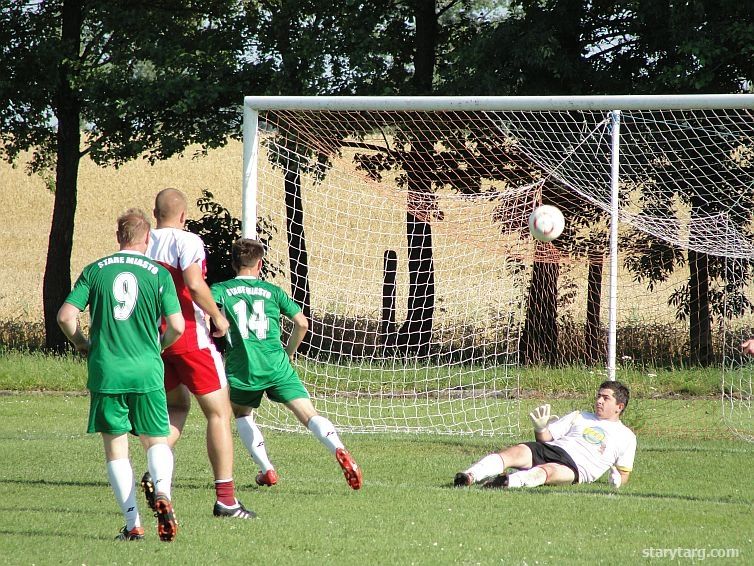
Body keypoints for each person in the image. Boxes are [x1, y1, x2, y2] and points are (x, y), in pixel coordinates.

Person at [57, 209, 184, 542]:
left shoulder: (95, 270)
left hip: (108, 370)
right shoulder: (158, 274)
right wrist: (158, 345)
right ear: (147, 239)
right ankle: (163, 493)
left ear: (119, 238)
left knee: (116, 449)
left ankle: (133, 525)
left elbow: (66, 316)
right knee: (155, 439)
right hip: (146, 369)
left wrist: (82, 342)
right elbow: (178, 326)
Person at [210, 238, 363, 490]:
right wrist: (289, 353)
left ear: (234, 263)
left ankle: (266, 469)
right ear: (260, 263)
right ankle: (339, 448)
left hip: (243, 366)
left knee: (241, 414)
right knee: (308, 414)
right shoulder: (273, 292)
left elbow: (207, 312)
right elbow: (302, 323)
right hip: (277, 364)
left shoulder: (221, 289)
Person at [145, 188, 254, 519]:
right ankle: (226, 499)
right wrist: (218, 316)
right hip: (190, 337)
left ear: (155, 212)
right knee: (219, 414)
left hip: (154, 339)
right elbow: (193, 284)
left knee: (176, 406)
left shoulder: (143, 242)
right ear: (183, 215)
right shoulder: (187, 240)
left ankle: (157, 475)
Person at [454, 380, 635, 490]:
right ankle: (469, 476)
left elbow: (623, 474)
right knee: (515, 452)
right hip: (553, 448)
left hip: (576, 467)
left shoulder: (626, 436)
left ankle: (505, 483)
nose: (598, 401)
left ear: (620, 406)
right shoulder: (579, 415)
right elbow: (545, 440)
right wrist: (540, 428)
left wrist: (618, 480)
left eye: (605, 398)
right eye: (598, 396)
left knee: (547, 472)